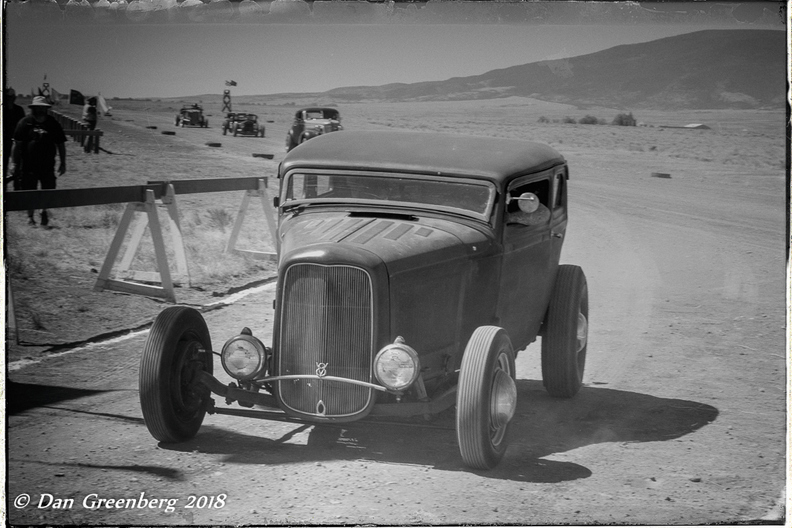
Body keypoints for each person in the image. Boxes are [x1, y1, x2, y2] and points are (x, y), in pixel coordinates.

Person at [9, 95, 67, 227]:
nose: (40, 110)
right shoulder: (24, 122)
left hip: (47, 165)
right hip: (28, 165)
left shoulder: (53, 123)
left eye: (43, 107)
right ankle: (30, 217)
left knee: (48, 190)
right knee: (29, 191)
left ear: (46, 109)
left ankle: (43, 211)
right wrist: (14, 163)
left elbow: (61, 144)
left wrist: (63, 162)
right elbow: (16, 145)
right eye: (38, 107)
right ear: (33, 108)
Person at [4, 88, 27, 189]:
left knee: (17, 167)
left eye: (11, 97)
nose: (10, 99)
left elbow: (23, 127)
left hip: (16, 143)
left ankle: (17, 189)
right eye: (8, 97)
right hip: (4, 143)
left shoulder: (19, 110)